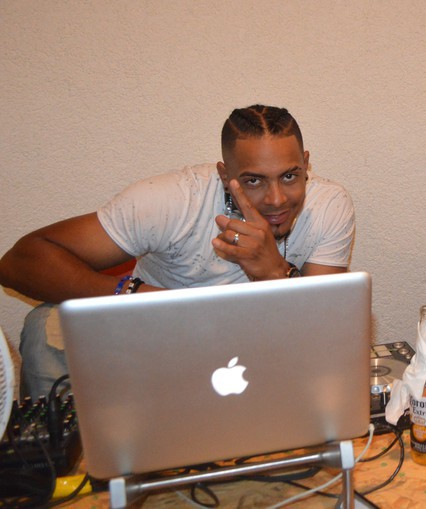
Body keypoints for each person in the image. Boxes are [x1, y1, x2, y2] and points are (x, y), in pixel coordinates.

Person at [0, 105, 355, 398]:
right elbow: (19, 262)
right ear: (224, 175)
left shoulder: (328, 205)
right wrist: (141, 297)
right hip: (153, 348)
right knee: (46, 323)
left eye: (290, 176)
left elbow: (326, 335)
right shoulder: (172, 201)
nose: (277, 199)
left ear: (306, 164)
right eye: (253, 180)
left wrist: (274, 271)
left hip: (257, 359)